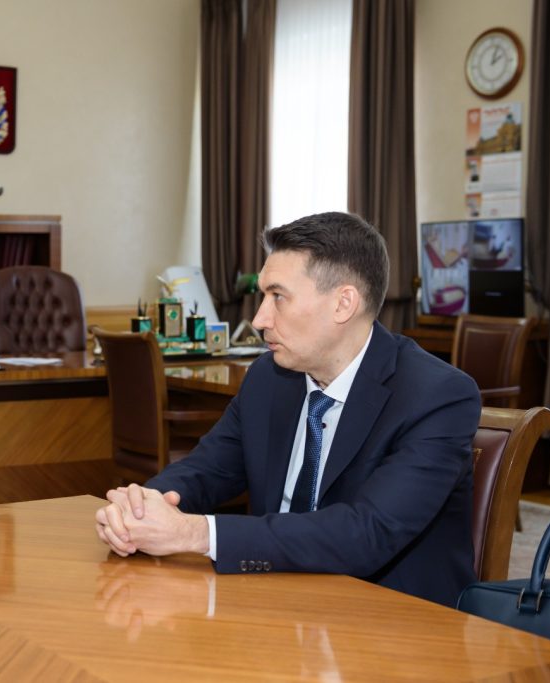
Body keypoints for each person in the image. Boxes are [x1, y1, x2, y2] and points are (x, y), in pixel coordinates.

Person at [95, 212, 481, 606]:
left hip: (392, 617)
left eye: (278, 297)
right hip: (274, 600)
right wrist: (142, 507)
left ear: (343, 303)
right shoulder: (269, 377)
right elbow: (207, 470)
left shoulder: (436, 396)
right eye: (263, 296)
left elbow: (367, 533)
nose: (259, 319)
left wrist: (195, 534)